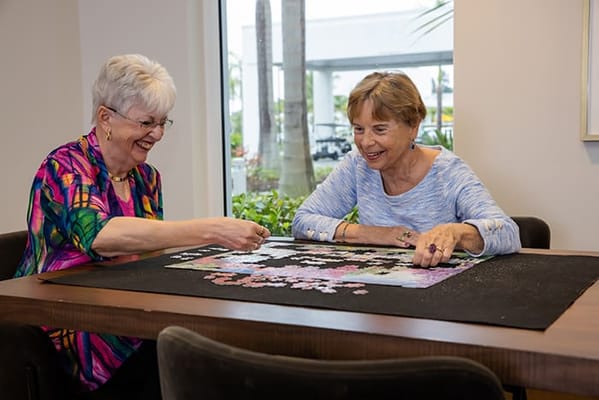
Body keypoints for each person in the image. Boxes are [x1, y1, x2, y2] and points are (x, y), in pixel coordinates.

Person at [15, 54, 270, 399]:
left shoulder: (146, 178)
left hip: (127, 313)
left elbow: (147, 259)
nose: (158, 134)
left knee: (205, 344)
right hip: (70, 326)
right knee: (181, 355)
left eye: (164, 122)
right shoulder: (64, 167)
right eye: (147, 122)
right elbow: (101, 236)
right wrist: (212, 230)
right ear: (106, 117)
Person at [292, 71, 520, 267]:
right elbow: (303, 221)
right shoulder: (357, 165)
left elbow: (508, 233)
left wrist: (456, 232)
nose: (366, 142)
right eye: (359, 129)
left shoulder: (448, 171)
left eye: (380, 130)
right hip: (377, 297)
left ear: (413, 126)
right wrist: (376, 234)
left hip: (438, 302)